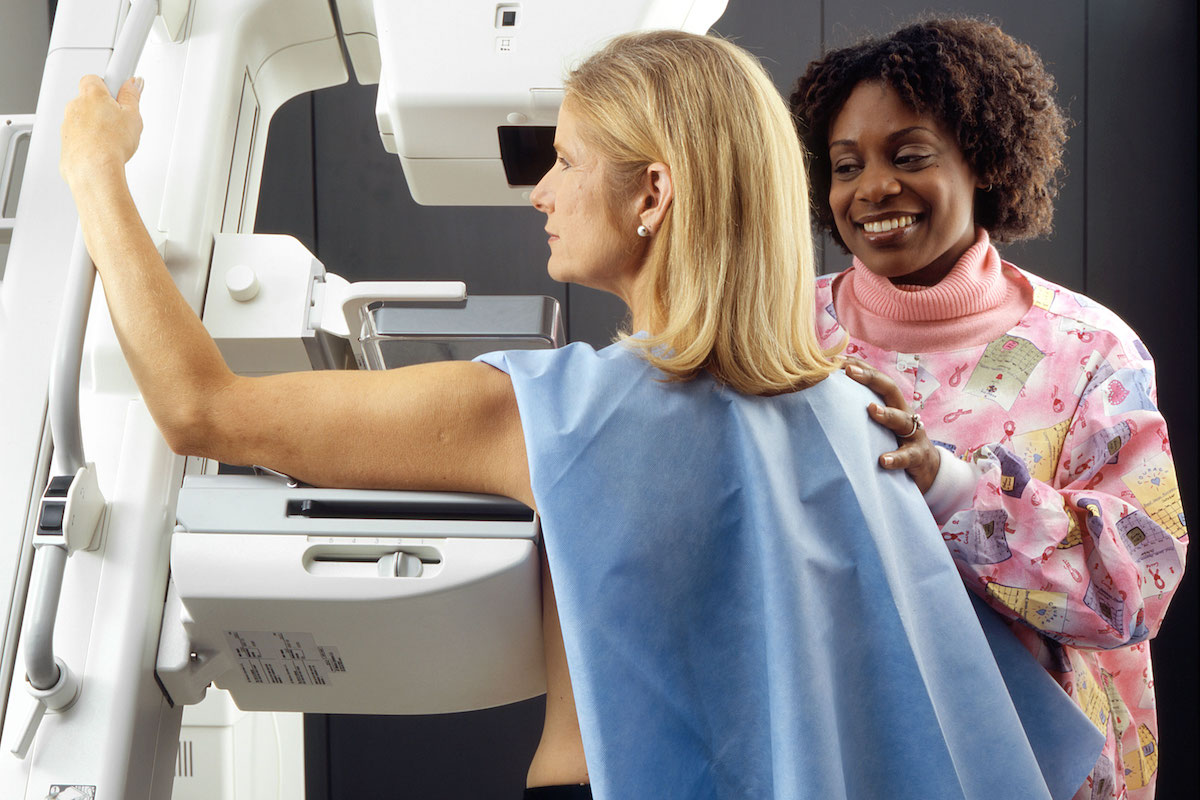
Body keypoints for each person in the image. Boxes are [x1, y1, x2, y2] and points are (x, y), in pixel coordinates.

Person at [62, 30, 1099, 800]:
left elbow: (200, 407)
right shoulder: (855, 410)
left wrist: (95, 173)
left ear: (653, 194)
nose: (541, 192)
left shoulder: (554, 411)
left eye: (564, 159)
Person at [790, 18, 1188, 800]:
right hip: (826, 756)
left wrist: (952, 491)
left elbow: (1140, 583)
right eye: (846, 165)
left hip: (1030, 773)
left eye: (909, 155)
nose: (873, 188)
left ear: (984, 159)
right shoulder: (781, 334)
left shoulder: (1089, 351)